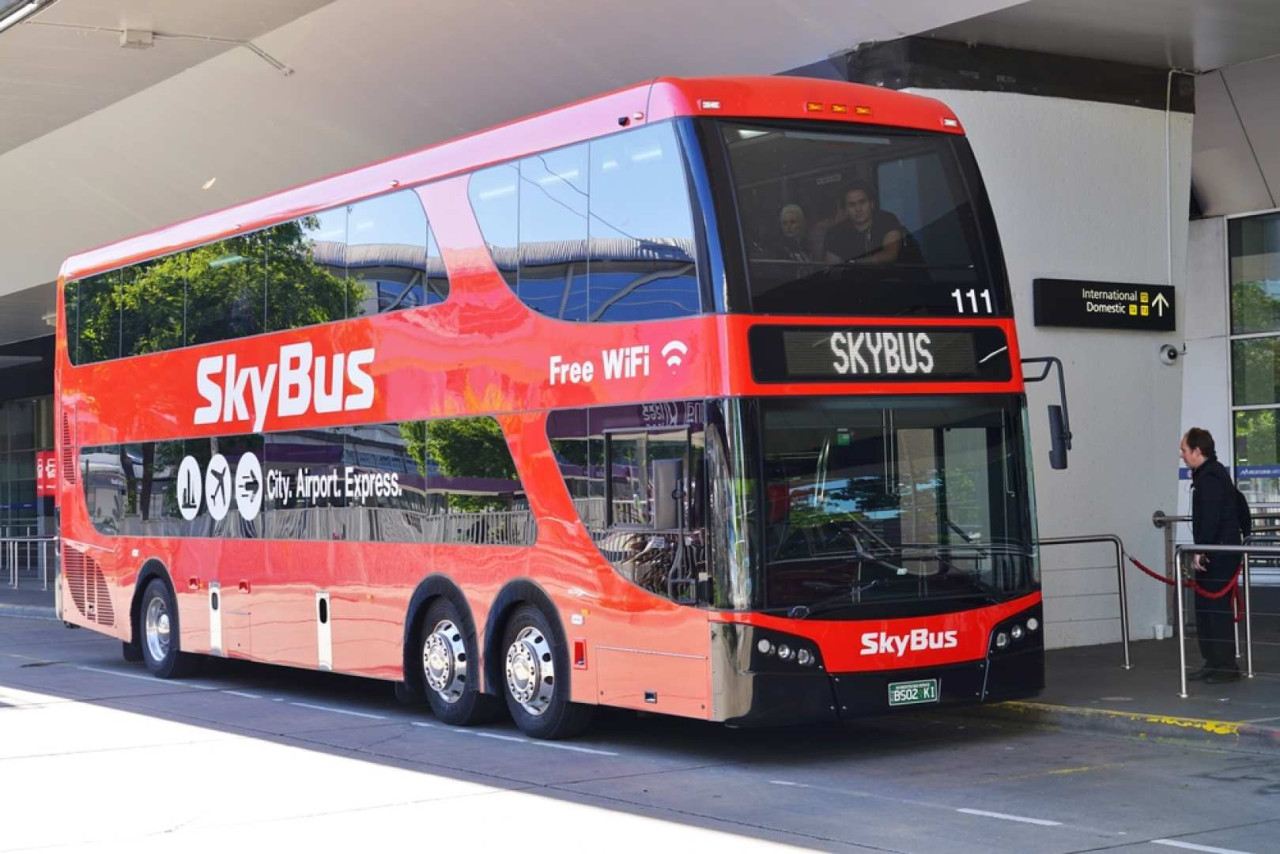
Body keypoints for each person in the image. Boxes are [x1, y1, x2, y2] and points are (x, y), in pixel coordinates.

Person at [1180, 427, 1242, 683]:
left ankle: (1226, 666)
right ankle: (1213, 661)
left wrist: (1202, 549)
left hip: (1219, 553)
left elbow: (1211, 517)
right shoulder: (1210, 474)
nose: (1182, 455)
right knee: (1205, 609)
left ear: (1197, 451)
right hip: (1216, 551)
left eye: (1184, 450)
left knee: (1216, 611)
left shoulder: (1211, 477)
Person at [823, 181, 904, 265]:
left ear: (872, 204)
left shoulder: (887, 220)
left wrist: (855, 263)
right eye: (852, 205)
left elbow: (890, 254)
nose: (858, 209)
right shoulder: (836, 233)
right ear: (846, 210)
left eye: (862, 202)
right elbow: (832, 266)